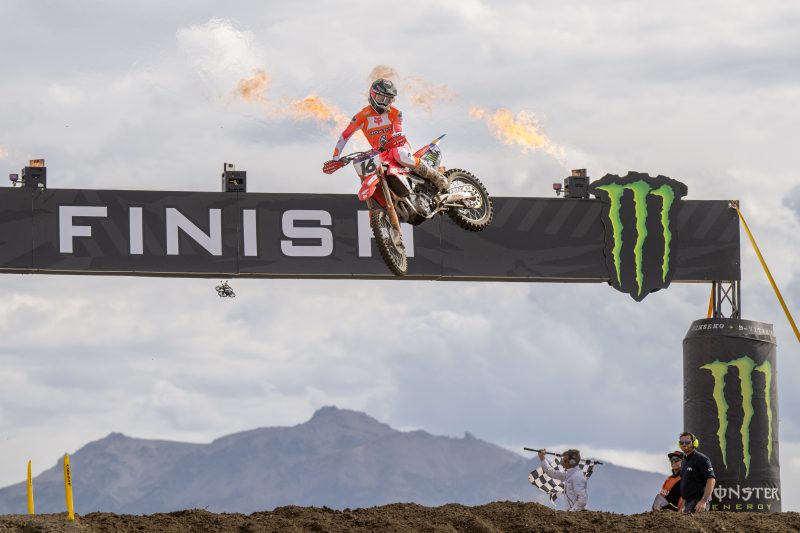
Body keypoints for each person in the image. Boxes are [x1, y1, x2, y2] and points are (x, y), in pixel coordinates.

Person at [331, 78, 449, 193]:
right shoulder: (360, 117)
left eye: (388, 100)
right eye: (381, 98)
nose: (384, 103)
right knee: (369, 173)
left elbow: (399, 132)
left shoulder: (395, 113)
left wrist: (393, 140)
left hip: (397, 145)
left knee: (400, 155)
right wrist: (336, 158)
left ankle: (435, 176)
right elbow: (345, 136)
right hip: (380, 153)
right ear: (373, 95)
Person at [678, 431, 716, 513]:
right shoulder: (684, 461)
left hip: (698, 502)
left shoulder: (701, 459)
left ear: (694, 443)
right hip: (687, 503)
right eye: (682, 442)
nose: (684, 444)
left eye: (687, 442)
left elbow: (711, 480)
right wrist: (682, 506)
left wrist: (703, 501)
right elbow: (686, 486)